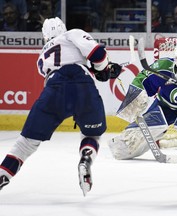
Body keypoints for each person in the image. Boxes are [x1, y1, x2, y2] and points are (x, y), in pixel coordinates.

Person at [0, 17, 122, 196]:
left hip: (53, 89)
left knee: (25, 144)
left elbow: (65, 69)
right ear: (63, 28)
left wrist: (99, 71)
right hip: (82, 87)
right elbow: (97, 55)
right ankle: (86, 159)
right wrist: (104, 69)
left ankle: (3, 174)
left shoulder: (42, 56)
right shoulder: (72, 34)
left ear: (45, 36)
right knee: (92, 134)